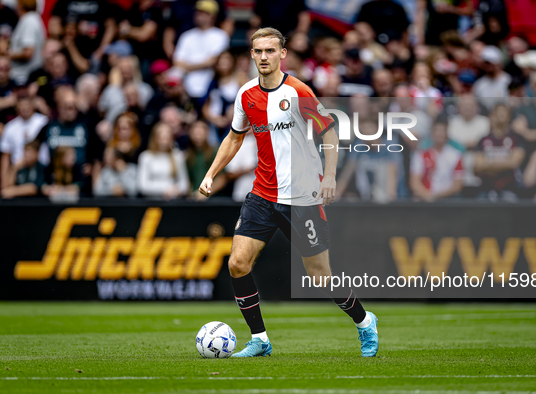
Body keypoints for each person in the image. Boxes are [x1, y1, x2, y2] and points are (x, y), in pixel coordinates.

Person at [198, 28, 379, 358]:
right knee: (237, 263)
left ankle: (365, 321)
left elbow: (330, 131)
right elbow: (235, 138)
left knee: (321, 276)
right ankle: (260, 340)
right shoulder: (246, 95)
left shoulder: (298, 91)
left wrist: (330, 178)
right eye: (257, 51)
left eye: (270, 50)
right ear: (251, 55)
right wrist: (212, 173)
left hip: (303, 197)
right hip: (262, 195)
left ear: (283, 54)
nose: (263, 57)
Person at [173, 0, 229, 112]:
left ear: (212, 16)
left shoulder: (220, 36)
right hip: (186, 86)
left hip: (211, 85)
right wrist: (202, 64)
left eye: (204, 13)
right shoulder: (186, 36)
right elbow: (177, 62)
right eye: (198, 12)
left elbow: (213, 61)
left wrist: (188, 66)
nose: (199, 16)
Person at [474, 103, 526, 202]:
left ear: (509, 116)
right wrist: (504, 163)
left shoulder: (517, 138)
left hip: (510, 188)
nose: (501, 115)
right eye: (498, 112)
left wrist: (489, 165)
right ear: (492, 116)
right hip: (486, 189)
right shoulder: (483, 140)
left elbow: (514, 163)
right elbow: (477, 165)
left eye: (504, 112)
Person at [410, 115, 464, 202]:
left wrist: (437, 196)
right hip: (424, 200)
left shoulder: (455, 155)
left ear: (447, 132)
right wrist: (427, 196)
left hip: (447, 201)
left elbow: (457, 185)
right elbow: (414, 182)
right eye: (436, 130)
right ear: (432, 132)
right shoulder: (420, 154)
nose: (439, 133)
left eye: (442, 130)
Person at [0, 94, 48, 188]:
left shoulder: (44, 123)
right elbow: (6, 156)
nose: (24, 108)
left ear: (33, 105)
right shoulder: (10, 127)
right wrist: (4, 181)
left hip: (41, 171)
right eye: (21, 105)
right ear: (16, 107)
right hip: (18, 171)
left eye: (27, 105)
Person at [137, 121, 189, 199]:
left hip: (173, 202)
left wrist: (176, 191)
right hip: (152, 203)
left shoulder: (177, 156)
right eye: (161, 136)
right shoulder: (146, 157)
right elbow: (142, 186)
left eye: (167, 136)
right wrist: (165, 189)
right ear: (155, 138)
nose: (164, 140)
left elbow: (184, 184)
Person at [9, 0, 45, 85]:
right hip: (26, 74)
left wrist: (8, 54)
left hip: (24, 76)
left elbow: (28, 52)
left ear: (20, 5)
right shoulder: (33, 18)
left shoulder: (29, 21)